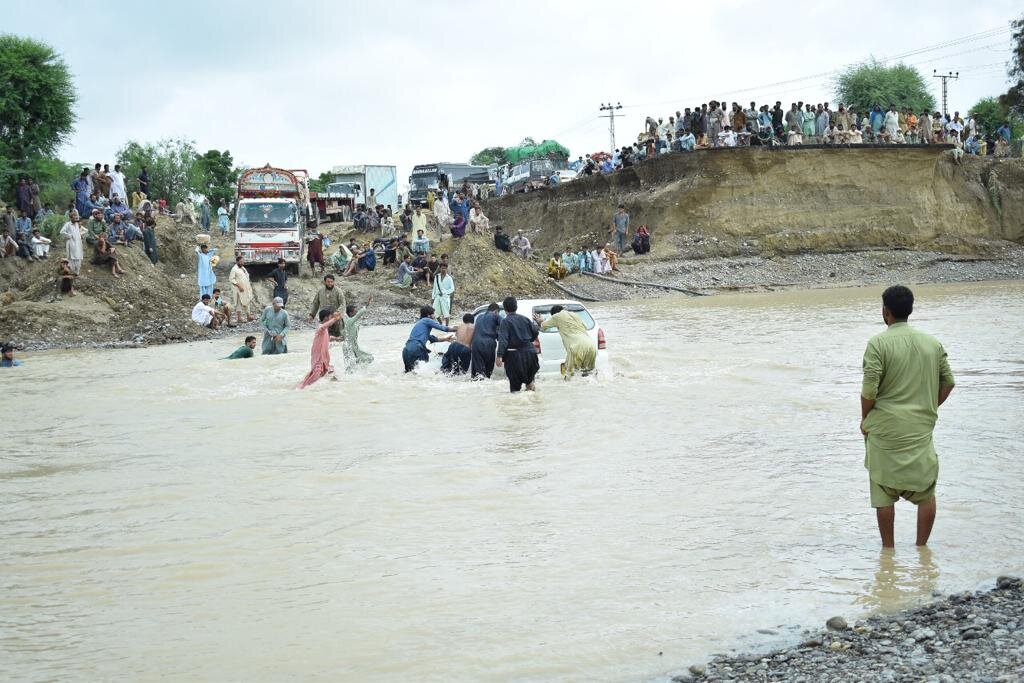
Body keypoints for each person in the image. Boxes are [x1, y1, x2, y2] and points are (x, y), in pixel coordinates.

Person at [861, 285, 955, 548]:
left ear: (885, 312)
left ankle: (888, 551)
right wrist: (930, 406)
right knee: (926, 492)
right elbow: (948, 381)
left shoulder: (877, 344)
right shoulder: (932, 343)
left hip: (885, 428)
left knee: (882, 491)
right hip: (920, 427)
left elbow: (869, 389)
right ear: (909, 310)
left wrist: (864, 419)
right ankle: (922, 548)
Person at [536, 305, 597, 378]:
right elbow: (585, 327)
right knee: (590, 374)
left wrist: (540, 321)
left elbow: (542, 327)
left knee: (569, 377)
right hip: (591, 345)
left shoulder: (556, 316)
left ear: (554, 314)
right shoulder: (575, 315)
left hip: (576, 347)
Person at [495, 296, 540, 393]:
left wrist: (499, 356)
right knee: (530, 382)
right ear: (516, 307)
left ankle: (517, 407)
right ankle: (535, 406)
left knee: (515, 389)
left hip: (515, 356)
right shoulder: (525, 319)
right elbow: (535, 333)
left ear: (505, 308)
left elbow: (503, 340)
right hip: (530, 354)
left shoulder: (505, 322)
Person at [297, 308, 343, 389]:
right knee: (316, 375)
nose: (331, 318)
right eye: (330, 316)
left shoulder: (324, 329)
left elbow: (327, 338)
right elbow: (324, 327)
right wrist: (335, 319)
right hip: (318, 356)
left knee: (325, 372)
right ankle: (303, 388)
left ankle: (327, 385)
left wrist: (335, 338)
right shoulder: (320, 327)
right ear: (326, 318)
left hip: (323, 356)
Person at [402, 305, 451, 372]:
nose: (435, 316)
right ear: (428, 315)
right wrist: (458, 329)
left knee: (410, 372)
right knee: (424, 372)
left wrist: (446, 339)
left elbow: (433, 339)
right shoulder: (427, 320)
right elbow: (443, 328)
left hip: (406, 351)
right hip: (417, 348)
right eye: (433, 313)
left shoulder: (420, 324)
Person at [308, 274, 346, 339]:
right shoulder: (320, 291)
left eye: (331, 282)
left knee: (339, 338)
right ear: (325, 282)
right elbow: (315, 304)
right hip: (325, 319)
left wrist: (338, 312)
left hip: (336, 318)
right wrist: (312, 315)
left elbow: (343, 303)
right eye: (328, 282)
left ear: (334, 282)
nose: (330, 283)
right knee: (325, 338)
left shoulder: (338, 291)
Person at [471, 302, 501, 379]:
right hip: (488, 344)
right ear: (496, 311)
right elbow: (506, 324)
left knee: (478, 373)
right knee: (487, 373)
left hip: (476, 344)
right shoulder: (495, 316)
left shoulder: (479, 317)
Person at [342, 301, 373, 371]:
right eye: (355, 312)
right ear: (350, 313)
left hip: (354, 347)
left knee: (369, 358)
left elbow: (358, 318)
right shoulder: (349, 321)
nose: (356, 313)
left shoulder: (353, 322)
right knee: (350, 366)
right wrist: (366, 306)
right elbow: (358, 315)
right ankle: (347, 378)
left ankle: (359, 374)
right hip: (348, 347)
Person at [229, 255, 255, 324]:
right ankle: (239, 318)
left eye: (243, 261)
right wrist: (239, 286)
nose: (242, 263)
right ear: (237, 261)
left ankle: (248, 316)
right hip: (238, 289)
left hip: (245, 288)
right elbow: (231, 279)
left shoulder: (242, 268)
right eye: (241, 262)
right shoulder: (234, 269)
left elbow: (246, 276)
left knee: (246, 301)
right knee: (238, 303)